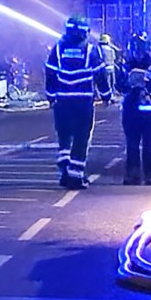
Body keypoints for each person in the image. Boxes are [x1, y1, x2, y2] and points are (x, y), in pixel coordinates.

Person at [45, 16, 111, 190]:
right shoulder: (90, 50)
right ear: (84, 31)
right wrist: (106, 95)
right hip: (82, 102)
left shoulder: (57, 49)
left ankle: (64, 173)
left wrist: (50, 96)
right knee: (81, 139)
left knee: (64, 138)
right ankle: (75, 176)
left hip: (62, 103)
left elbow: (50, 73)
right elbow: (100, 74)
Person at [117, 33, 151, 186]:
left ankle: (150, 174)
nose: (138, 52)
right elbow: (119, 85)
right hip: (131, 110)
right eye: (136, 48)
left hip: (150, 112)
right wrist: (131, 86)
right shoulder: (126, 66)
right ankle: (133, 174)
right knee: (132, 145)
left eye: (141, 48)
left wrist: (150, 85)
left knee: (148, 144)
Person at [98, 33, 119, 98]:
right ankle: (113, 94)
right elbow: (114, 58)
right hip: (111, 67)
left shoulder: (99, 49)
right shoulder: (111, 49)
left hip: (104, 69)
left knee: (106, 84)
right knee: (112, 83)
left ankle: (107, 96)